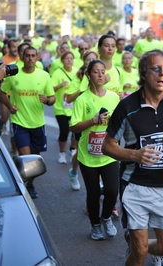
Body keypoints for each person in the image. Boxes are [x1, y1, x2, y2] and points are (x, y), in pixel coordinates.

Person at [101, 49, 163, 266]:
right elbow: (107, 146)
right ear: (143, 74)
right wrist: (135, 155)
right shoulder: (127, 106)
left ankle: (135, 244)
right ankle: (136, 247)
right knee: (140, 253)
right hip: (134, 186)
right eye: (156, 69)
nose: (162, 74)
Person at [69, 59, 120, 240]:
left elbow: (120, 122)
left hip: (110, 153)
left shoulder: (113, 97)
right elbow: (73, 126)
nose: (99, 75)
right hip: (88, 155)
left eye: (102, 71)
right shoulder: (82, 99)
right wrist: (92, 121)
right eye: (95, 72)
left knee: (113, 190)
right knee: (93, 193)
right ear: (88, 75)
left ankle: (106, 217)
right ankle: (95, 225)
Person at [0, 46, 56, 199]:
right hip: (19, 122)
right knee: (26, 156)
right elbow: (2, 92)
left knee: (35, 160)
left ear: (37, 57)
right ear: (22, 57)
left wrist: (48, 100)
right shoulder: (14, 75)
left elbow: (52, 98)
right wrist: (10, 106)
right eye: (27, 56)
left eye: (33, 56)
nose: (30, 58)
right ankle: (22, 186)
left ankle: (30, 183)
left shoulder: (44, 76)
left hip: (38, 123)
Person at [66, 50, 98, 191]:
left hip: (98, 119)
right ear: (83, 62)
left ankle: (99, 181)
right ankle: (74, 172)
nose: (90, 61)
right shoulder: (78, 77)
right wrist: (82, 91)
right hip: (81, 118)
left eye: (93, 59)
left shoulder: (100, 76)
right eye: (88, 59)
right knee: (81, 150)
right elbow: (68, 98)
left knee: (99, 150)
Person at [51, 51, 78, 165]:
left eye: (71, 58)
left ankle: (72, 149)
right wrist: (60, 85)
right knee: (64, 131)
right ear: (62, 60)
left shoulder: (77, 72)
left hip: (74, 107)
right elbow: (51, 89)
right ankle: (62, 153)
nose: (69, 60)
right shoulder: (58, 72)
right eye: (66, 58)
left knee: (75, 130)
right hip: (60, 107)